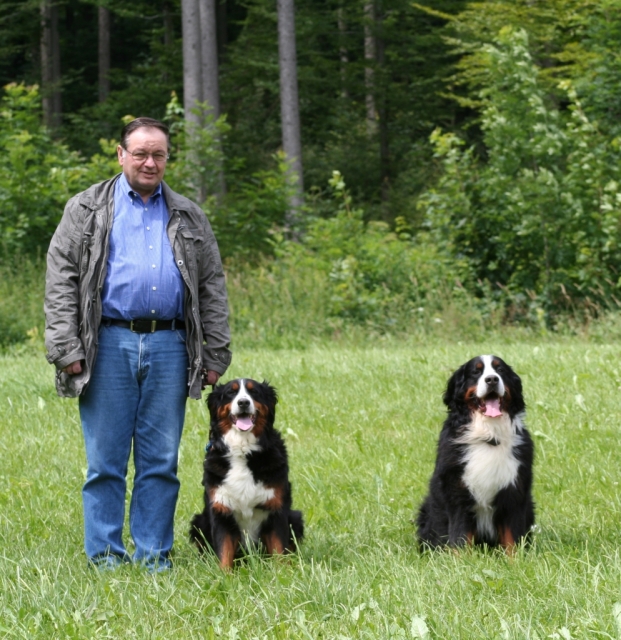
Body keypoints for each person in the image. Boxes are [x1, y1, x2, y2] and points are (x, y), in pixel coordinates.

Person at [44, 117, 231, 571]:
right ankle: (107, 557)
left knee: (161, 462)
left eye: (159, 154)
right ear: (121, 154)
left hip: (171, 345)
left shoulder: (188, 214)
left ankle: (154, 557)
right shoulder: (86, 209)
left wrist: (216, 352)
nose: (150, 162)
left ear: (167, 158)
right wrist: (65, 347)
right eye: (141, 153)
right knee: (105, 462)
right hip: (106, 343)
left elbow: (212, 286)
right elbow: (61, 279)